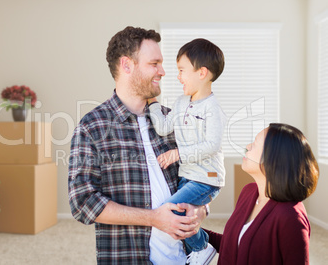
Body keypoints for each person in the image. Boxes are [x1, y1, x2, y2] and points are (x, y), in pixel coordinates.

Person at [68, 26, 208, 264]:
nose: (163, 71)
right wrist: (153, 218)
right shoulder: (92, 127)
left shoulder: (174, 120)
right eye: (154, 63)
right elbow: (82, 202)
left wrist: (200, 210)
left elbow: (199, 176)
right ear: (126, 65)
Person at [147, 38, 226, 263]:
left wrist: (178, 154)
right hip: (187, 176)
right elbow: (163, 127)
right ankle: (194, 249)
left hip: (207, 179)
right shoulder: (181, 102)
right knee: (182, 215)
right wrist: (152, 102)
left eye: (182, 70)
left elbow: (212, 144)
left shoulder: (213, 109)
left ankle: (202, 246)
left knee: (168, 210)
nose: (178, 76)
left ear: (201, 73)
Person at [203, 123, 319, 264]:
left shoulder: (291, 217)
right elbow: (235, 245)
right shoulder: (249, 192)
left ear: (273, 158)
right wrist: (193, 232)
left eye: (255, 143)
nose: (248, 146)